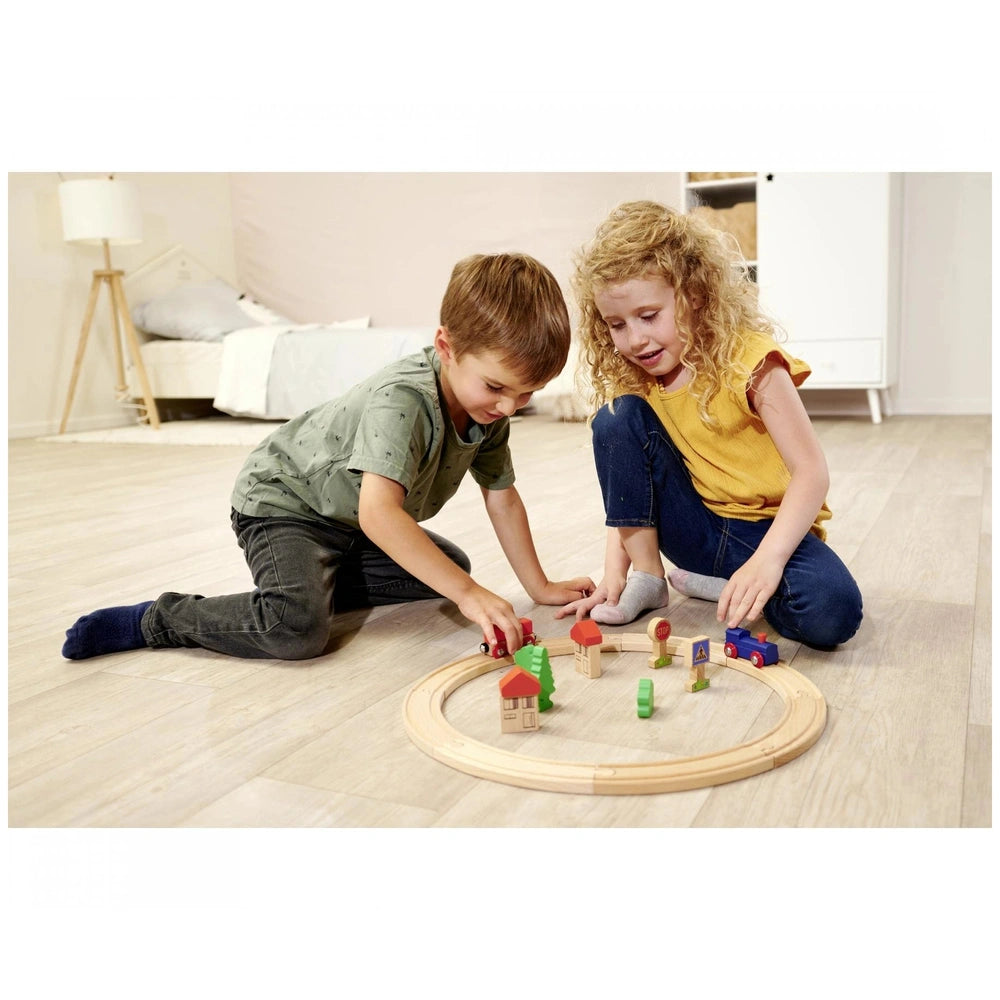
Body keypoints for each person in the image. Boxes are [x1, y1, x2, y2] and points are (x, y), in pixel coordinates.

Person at [63, 253, 595, 662]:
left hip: (348, 522)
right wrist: (470, 596)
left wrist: (538, 586)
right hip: (283, 504)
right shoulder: (403, 400)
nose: (508, 407)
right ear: (446, 346)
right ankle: (160, 620)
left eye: (526, 394)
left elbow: (501, 497)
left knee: (449, 568)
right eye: (497, 386)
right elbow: (380, 513)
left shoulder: (490, 413)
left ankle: (309, 583)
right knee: (297, 630)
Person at [555, 200, 862, 648]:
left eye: (648, 316)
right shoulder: (638, 378)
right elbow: (628, 490)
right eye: (617, 325)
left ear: (694, 295)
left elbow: (811, 472)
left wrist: (770, 560)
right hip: (691, 526)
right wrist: (614, 575)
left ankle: (724, 582)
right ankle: (650, 577)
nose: (634, 339)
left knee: (833, 613)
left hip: (768, 529)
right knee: (614, 419)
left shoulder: (752, 362)